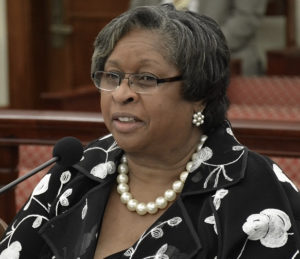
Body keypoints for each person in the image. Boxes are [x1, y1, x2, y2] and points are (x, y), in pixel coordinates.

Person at [0, 4, 300, 259]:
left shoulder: (254, 192)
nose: (121, 93)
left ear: (201, 93)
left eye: (145, 78)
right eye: (112, 75)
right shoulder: (82, 167)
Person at [130, 0, 268, 76]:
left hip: (221, 53)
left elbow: (246, 19)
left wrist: (200, 47)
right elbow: (136, 17)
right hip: (155, 55)